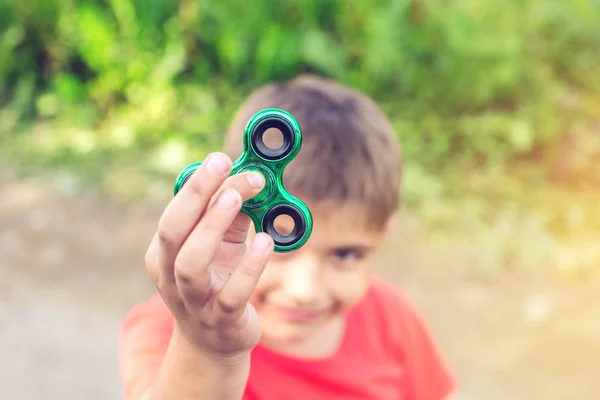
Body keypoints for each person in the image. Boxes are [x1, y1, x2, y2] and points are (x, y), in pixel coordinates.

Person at [118, 74, 457, 400]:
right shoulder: (169, 330)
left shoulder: (392, 320)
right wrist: (207, 349)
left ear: (382, 235)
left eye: (345, 254)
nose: (305, 291)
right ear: (227, 226)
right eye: (277, 241)